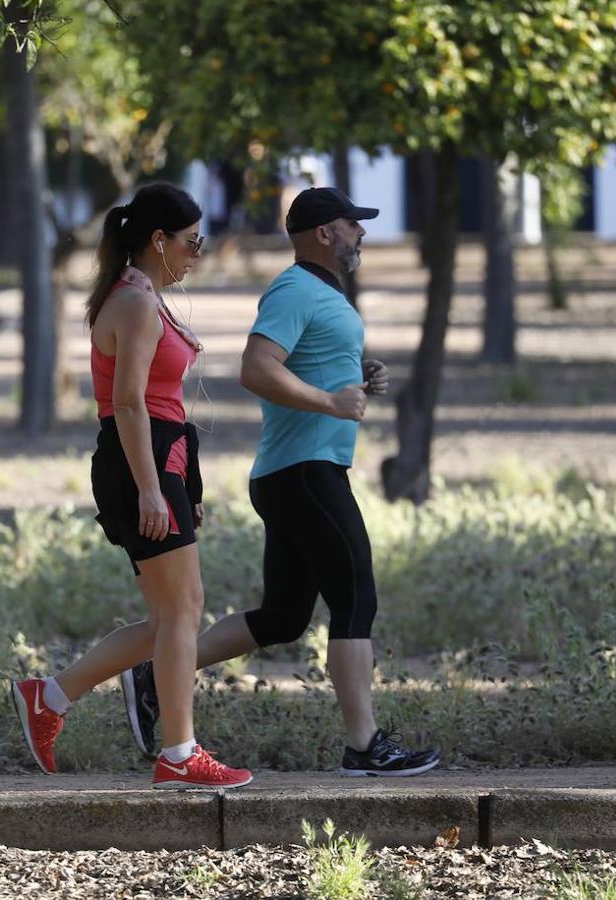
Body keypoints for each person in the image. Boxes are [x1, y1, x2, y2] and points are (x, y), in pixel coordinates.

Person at [119, 187, 440, 777]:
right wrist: (328, 399)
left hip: (296, 471)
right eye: (353, 224)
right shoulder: (294, 290)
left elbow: (299, 364)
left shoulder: (320, 293)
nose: (362, 234)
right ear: (324, 233)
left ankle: (157, 670)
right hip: (305, 473)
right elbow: (255, 368)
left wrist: (355, 375)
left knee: (285, 617)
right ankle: (364, 747)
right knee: (355, 597)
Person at [10, 183, 253, 790]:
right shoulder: (137, 303)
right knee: (182, 613)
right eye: (193, 242)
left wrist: (178, 479)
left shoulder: (144, 295)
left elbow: (158, 405)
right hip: (137, 460)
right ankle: (178, 753)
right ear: (158, 240)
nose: (199, 253)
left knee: (171, 618)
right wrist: (150, 487)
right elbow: (128, 405)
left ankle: (52, 696)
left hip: (159, 458)